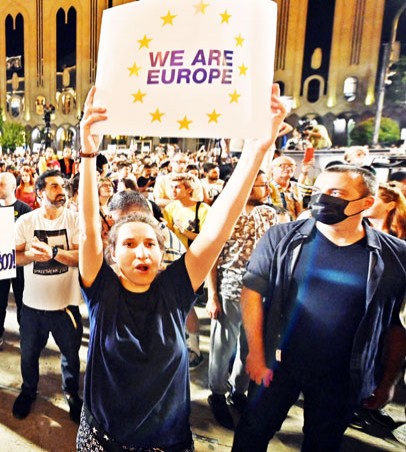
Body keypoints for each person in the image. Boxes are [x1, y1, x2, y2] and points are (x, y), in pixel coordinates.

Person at [76, 85, 286, 450]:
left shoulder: (174, 289)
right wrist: (89, 153)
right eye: (128, 244)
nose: (141, 252)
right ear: (112, 255)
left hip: (167, 443)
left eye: (150, 244)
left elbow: (218, 225)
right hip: (103, 440)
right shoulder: (102, 291)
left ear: (162, 253)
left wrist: (256, 150)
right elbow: (88, 229)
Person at [232, 165, 406, 451]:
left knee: (323, 442)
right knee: (253, 430)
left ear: (366, 203)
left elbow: (396, 326)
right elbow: (252, 292)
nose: (323, 199)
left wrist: (388, 382)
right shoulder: (281, 239)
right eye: (318, 191)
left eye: (335, 193)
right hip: (279, 364)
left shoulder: (395, 256)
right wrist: (255, 353)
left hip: (342, 374)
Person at [205, 170, 278, 429]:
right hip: (229, 289)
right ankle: (216, 393)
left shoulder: (270, 213)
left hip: (261, 293)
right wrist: (212, 295)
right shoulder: (224, 213)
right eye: (261, 184)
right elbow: (211, 257)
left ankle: (239, 391)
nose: (267, 189)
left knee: (249, 346)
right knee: (222, 346)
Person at [12, 169, 83, 423]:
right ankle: (28, 391)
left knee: (71, 354)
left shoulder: (75, 219)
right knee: (28, 353)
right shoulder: (26, 222)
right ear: (40, 192)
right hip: (33, 305)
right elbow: (14, 257)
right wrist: (30, 256)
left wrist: (53, 253)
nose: (61, 190)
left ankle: (71, 393)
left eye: (63, 185)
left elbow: (81, 257)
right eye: (54, 186)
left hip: (66, 304)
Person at [162, 173, 213, 369]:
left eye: (177, 187)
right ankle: (178, 346)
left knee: (188, 307)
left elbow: (208, 238)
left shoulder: (202, 209)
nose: (172, 191)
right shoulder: (170, 208)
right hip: (173, 262)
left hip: (193, 263)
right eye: (171, 187)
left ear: (188, 189)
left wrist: (184, 232)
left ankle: (195, 350)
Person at [0, 172, 32, 356]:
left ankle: (25, 335)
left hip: (20, 264)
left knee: (23, 300)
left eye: (2, 185)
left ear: (14, 186)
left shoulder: (25, 210)